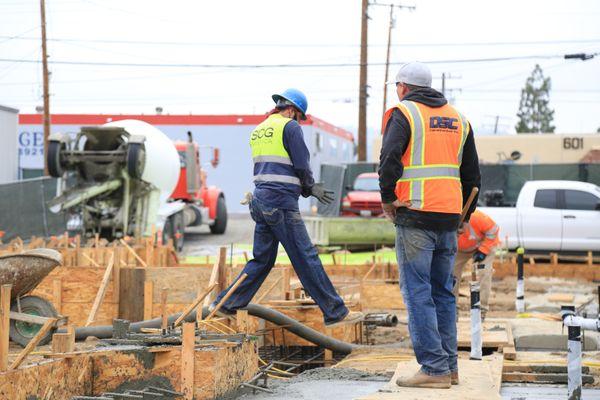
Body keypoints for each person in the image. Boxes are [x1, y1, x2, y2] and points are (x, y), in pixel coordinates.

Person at [209, 88, 363, 327]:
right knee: (306, 256)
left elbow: (273, 166)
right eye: (299, 116)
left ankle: (225, 304)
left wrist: (303, 188)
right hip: (280, 203)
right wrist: (310, 187)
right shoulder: (290, 127)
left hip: (260, 200)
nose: (298, 121)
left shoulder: (259, 129)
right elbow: (301, 164)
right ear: (292, 110)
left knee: (262, 260)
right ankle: (335, 312)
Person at [378, 62, 481, 388]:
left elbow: (389, 158)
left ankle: (434, 369)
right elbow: (473, 177)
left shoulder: (404, 113)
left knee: (418, 294)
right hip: (449, 219)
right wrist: (463, 217)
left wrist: (387, 198)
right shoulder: (458, 119)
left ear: (403, 87)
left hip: (416, 217)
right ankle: (449, 368)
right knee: (444, 294)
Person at [453, 209, 500, 321]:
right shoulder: (445, 223)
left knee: (484, 273)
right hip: (460, 250)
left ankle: (481, 310)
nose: (460, 232)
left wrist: (483, 250)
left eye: (461, 229)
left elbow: (494, 230)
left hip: (483, 245)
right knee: (451, 275)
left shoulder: (477, 218)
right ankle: (451, 309)